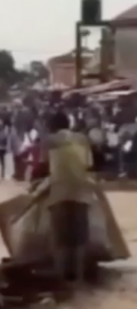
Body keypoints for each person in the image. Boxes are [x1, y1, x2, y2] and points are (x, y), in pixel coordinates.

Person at [46, 110, 93, 283]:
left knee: (60, 240)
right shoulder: (82, 139)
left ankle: (62, 280)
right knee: (79, 239)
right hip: (82, 193)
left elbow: (44, 165)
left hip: (59, 194)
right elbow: (88, 164)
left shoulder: (50, 140)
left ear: (52, 126)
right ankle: (79, 279)